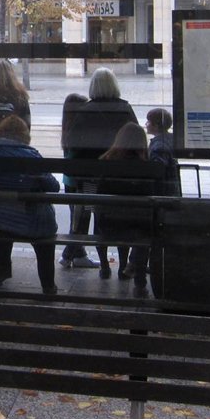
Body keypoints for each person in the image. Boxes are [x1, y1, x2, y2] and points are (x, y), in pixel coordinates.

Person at [0, 115, 59, 295]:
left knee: (2, 223)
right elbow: (53, 187)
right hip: (30, 223)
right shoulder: (32, 157)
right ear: (24, 135)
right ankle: (48, 285)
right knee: (43, 239)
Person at [59, 67, 138, 271]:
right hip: (119, 178)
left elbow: (73, 143)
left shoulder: (85, 111)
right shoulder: (125, 109)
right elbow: (136, 139)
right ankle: (122, 266)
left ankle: (104, 266)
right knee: (118, 220)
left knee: (94, 217)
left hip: (91, 179)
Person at [97, 124, 159, 294]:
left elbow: (100, 195)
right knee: (143, 235)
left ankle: (105, 266)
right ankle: (140, 283)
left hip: (110, 225)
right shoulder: (146, 166)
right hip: (138, 225)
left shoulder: (107, 162)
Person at [145, 108, 180, 197]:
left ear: (156, 125)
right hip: (172, 189)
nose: (146, 124)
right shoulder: (171, 139)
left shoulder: (159, 145)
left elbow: (157, 169)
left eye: (148, 122)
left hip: (163, 192)